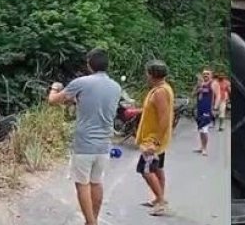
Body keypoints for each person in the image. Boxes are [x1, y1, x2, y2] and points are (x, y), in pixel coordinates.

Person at [47, 49, 121, 225]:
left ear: (89, 63)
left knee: (82, 184)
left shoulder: (81, 82)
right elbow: (93, 104)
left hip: (84, 144)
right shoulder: (116, 87)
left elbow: (54, 100)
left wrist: (54, 88)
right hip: (104, 144)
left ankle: (91, 223)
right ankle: (92, 220)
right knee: (96, 183)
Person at [135, 59, 175, 216]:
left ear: (153, 75)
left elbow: (164, 118)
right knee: (158, 169)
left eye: (148, 73)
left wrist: (155, 142)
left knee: (145, 170)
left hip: (152, 141)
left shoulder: (160, 92)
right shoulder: (162, 88)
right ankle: (159, 198)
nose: (146, 76)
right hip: (156, 139)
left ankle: (160, 201)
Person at [193, 68, 217, 155]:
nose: (205, 75)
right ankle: (201, 146)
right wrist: (198, 89)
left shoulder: (213, 84)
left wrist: (214, 108)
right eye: (204, 74)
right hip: (199, 109)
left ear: (211, 75)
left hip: (207, 109)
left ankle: (205, 149)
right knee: (200, 129)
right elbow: (193, 94)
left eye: (207, 73)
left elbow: (217, 96)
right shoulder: (199, 84)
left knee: (205, 129)